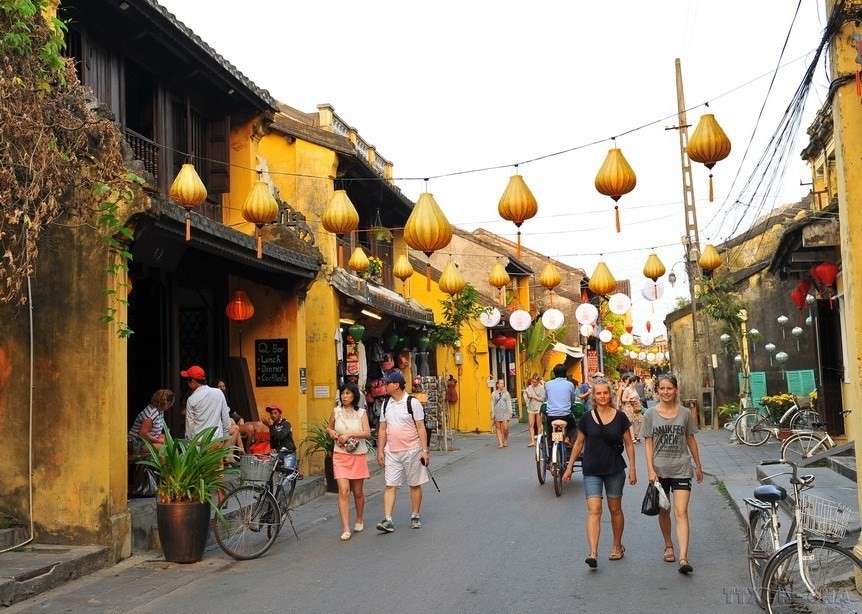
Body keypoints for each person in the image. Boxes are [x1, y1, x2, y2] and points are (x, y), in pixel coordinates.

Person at [563, 378, 637, 568]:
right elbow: (579, 443)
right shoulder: (587, 417)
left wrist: (633, 469)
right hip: (592, 469)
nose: (602, 396)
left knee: (615, 509)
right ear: (593, 396)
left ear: (610, 394)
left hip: (614, 469)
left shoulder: (620, 417)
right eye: (598, 393)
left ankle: (617, 545)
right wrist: (570, 467)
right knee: (594, 509)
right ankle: (593, 552)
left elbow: (629, 443)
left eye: (605, 393)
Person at [642, 373, 704, 575]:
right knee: (664, 511)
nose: (665, 392)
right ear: (657, 390)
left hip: (681, 468)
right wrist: (650, 469)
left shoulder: (685, 413)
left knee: (682, 511)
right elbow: (648, 442)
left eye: (669, 388)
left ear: (676, 389)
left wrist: (698, 465)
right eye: (662, 389)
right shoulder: (650, 414)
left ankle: (683, 557)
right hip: (660, 471)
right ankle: (669, 544)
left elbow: (690, 439)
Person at [376, 371, 430, 532]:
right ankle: (388, 519)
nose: (385, 386)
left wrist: (425, 450)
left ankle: (415, 515)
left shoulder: (412, 403)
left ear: (396, 385)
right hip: (392, 451)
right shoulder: (386, 404)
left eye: (388, 383)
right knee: (390, 485)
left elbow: (421, 427)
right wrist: (380, 451)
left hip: (412, 450)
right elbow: (382, 429)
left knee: (414, 484)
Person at [326, 382, 371, 541]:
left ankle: (359, 518)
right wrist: (331, 432)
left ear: (354, 396)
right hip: (340, 455)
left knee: (357, 492)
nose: (344, 396)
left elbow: (367, 433)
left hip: (357, 455)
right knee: (344, 491)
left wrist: (349, 434)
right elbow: (329, 427)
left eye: (348, 393)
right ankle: (345, 527)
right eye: (343, 393)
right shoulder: (336, 412)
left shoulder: (361, 413)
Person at [182, 366, 230, 441]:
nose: (188, 384)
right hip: (216, 440)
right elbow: (225, 417)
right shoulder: (219, 393)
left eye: (188, 381)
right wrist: (225, 438)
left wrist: (189, 443)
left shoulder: (191, 400)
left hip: (199, 443)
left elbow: (189, 426)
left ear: (193, 381)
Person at [544, 364, 578, 444]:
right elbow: (572, 399)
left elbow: (547, 397)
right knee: (573, 427)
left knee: (549, 432)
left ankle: (550, 448)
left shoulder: (548, 384)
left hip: (551, 416)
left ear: (554, 373)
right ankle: (568, 438)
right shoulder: (570, 384)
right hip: (565, 415)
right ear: (566, 373)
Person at [524, 376, 545, 447]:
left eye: (535, 382)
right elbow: (526, 398)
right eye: (532, 382)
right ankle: (532, 441)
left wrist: (533, 397)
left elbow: (543, 398)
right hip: (531, 407)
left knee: (538, 424)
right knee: (531, 424)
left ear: (538, 381)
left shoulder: (541, 388)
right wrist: (527, 396)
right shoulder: (529, 388)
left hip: (539, 407)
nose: (533, 383)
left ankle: (539, 441)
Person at [491, 379, 512, 448]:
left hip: (505, 412)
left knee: (505, 428)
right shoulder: (494, 394)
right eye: (500, 383)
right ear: (497, 385)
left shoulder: (506, 393)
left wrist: (510, 412)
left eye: (503, 383)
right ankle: (500, 443)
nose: (502, 385)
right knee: (498, 427)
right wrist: (492, 413)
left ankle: (505, 439)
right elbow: (492, 403)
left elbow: (509, 403)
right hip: (497, 412)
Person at [622, 376, 643, 444]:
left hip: (636, 407)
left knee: (641, 420)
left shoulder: (634, 389)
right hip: (629, 407)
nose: (637, 383)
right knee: (631, 422)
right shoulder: (627, 389)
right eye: (636, 382)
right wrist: (631, 400)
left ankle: (635, 434)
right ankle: (633, 438)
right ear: (633, 382)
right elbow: (623, 399)